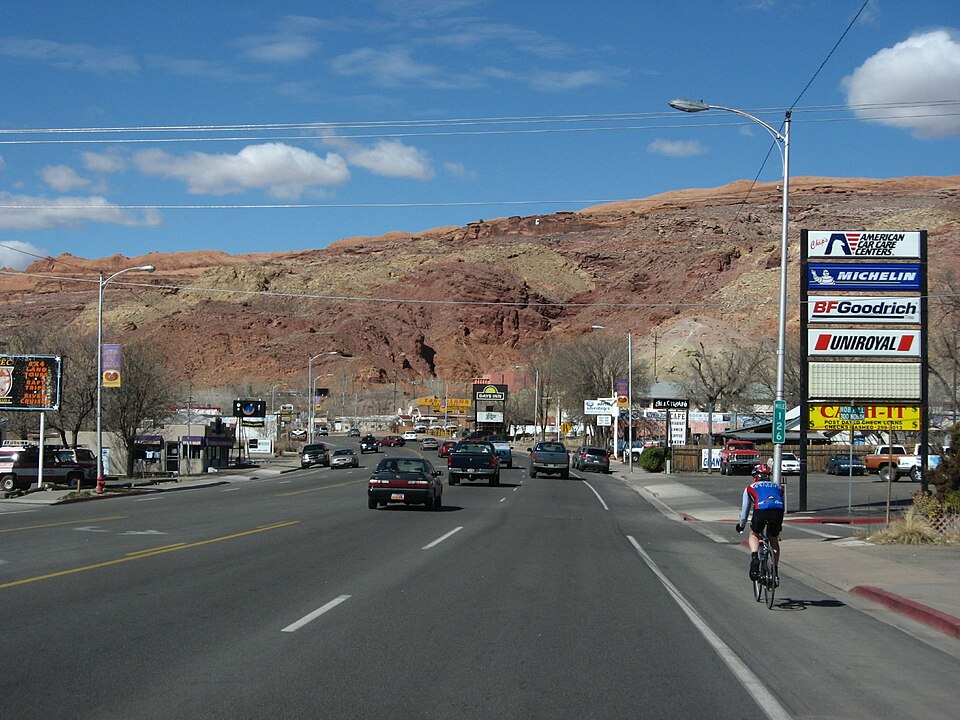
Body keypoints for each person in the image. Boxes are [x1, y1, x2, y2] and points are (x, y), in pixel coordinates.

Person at [735, 463, 785, 582]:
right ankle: (775, 571)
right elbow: (782, 505)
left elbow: (745, 511)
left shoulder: (750, 487)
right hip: (777, 512)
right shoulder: (778, 487)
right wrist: (779, 525)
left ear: (755, 476)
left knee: (754, 534)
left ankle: (754, 557)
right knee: (773, 539)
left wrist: (741, 526)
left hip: (761, 511)